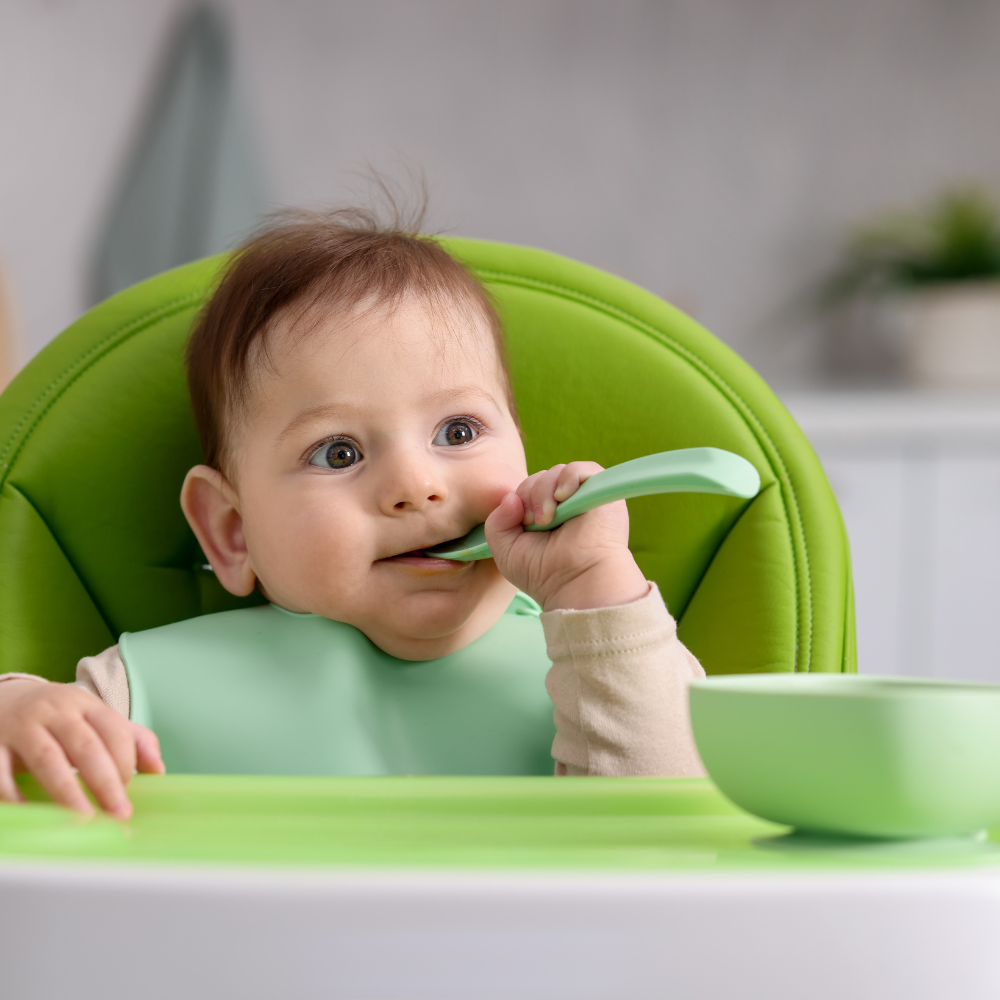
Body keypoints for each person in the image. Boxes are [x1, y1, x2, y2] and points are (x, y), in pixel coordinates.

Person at [0, 209, 705, 820]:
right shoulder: (140, 690)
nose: (416, 486)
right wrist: (16, 711)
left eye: (458, 433)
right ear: (231, 531)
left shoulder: (607, 663)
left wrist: (596, 587)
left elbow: (677, 837)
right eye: (338, 453)